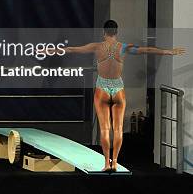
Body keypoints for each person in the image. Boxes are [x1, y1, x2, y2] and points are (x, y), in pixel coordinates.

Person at [65, 20, 186, 172]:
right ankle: (115, 163)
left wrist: (53, 50)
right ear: (116, 33)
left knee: (104, 129)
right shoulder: (123, 47)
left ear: (104, 33)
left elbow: (73, 50)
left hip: (102, 88)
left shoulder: (97, 47)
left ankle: (106, 163)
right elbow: (146, 49)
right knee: (118, 128)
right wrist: (168, 52)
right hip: (117, 88)